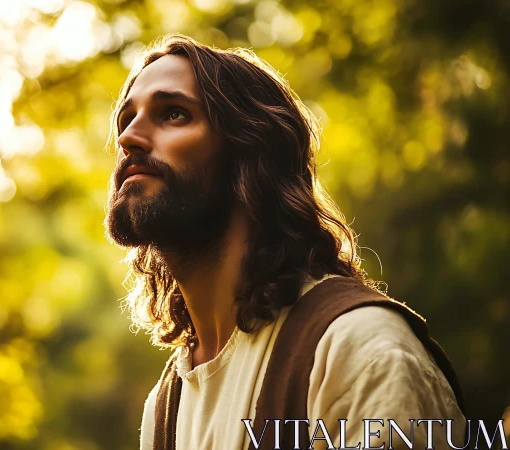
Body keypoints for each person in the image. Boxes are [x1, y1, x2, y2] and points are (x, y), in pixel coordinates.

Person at [103, 34, 467, 450]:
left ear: (250, 155)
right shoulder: (167, 406)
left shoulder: (358, 348)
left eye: (174, 114)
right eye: (125, 120)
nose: (128, 138)